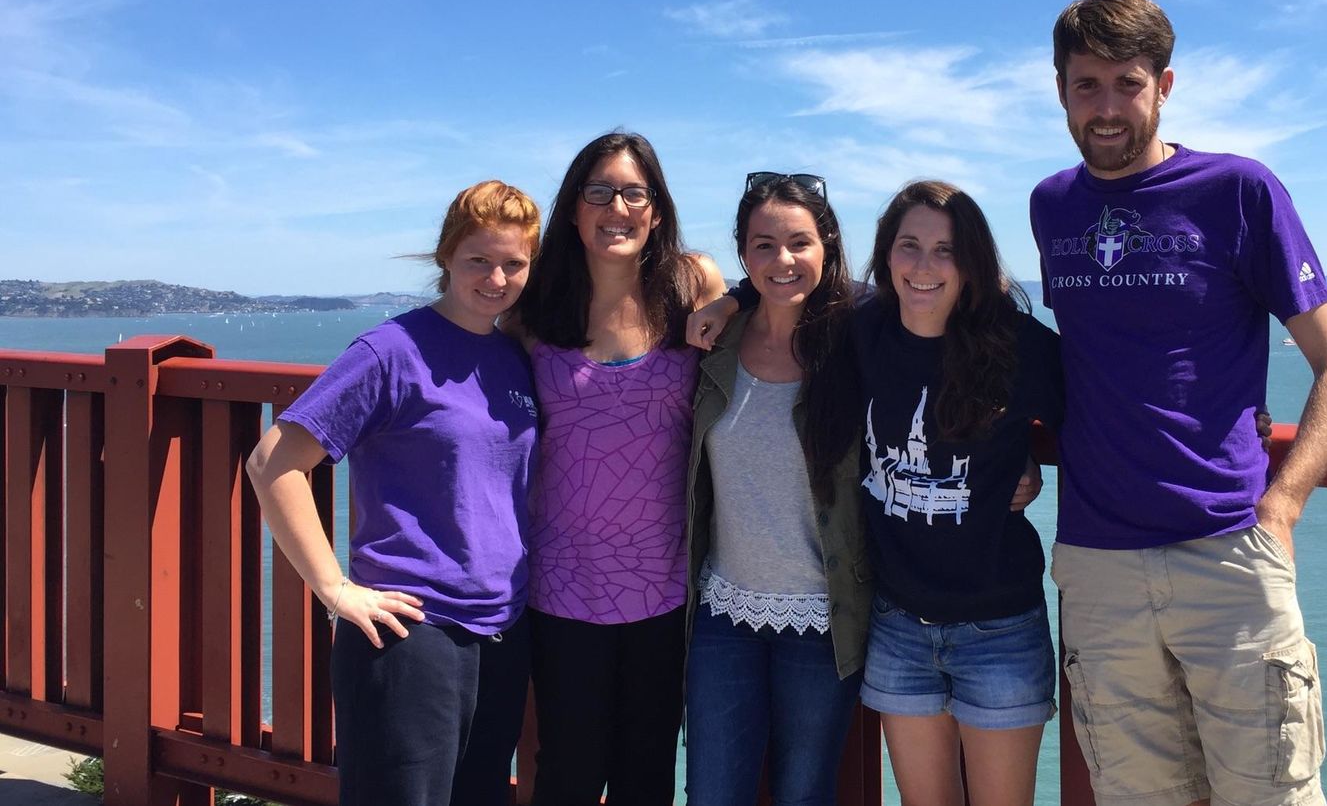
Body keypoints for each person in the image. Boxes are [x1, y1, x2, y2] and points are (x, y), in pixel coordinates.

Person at [1033, 0, 1327, 806]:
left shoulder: (1237, 191)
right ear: (1060, 89)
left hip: (1227, 552)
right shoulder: (1052, 206)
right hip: (1097, 563)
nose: (1106, 108)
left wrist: (1283, 506)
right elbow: (1072, 359)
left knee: (1271, 796)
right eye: (1086, 86)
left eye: (1127, 84)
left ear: (1165, 86)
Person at [245, 180, 542, 806]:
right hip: (410, 632)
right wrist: (335, 589)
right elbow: (273, 463)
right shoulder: (390, 351)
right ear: (445, 260)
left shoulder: (513, 355)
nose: (496, 278)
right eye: (478, 261)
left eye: (514, 263)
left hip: (501, 630)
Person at [517, 131, 723, 806]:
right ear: (574, 210)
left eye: (635, 192)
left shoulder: (694, 286)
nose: (618, 206)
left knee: (647, 777)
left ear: (656, 210)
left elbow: (783, 320)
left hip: (663, 588)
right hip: (561, 587)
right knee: (568, 775)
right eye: (599, 191)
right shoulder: (534, 306)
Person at [855, 180, 1062, 806]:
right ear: (885, 255)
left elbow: (1108, 414)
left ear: (972, 263)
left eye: (946, 250)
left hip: (1000, 627)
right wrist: (729, 299)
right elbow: (779, 289)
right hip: (897, 625)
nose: (923, 266)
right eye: (908, 245)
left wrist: (1236, 417)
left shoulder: (1020, 347)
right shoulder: (859, 333)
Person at [683, 172, 870, 806]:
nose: (782, 260)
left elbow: (970, 335)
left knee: (804, 793)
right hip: (722, 614)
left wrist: (1009, 455)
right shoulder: (715, 342)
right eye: (763, 245)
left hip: (824, 617)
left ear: (828, 248)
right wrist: (731, 301)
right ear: (742, 253)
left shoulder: (860, 339)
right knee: (712, 791)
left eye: (799, 242)